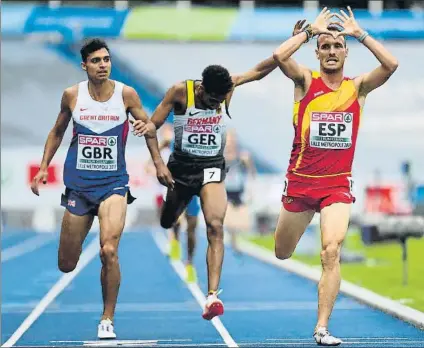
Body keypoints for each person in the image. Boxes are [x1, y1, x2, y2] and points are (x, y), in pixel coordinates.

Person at [30, 38, 172, 339]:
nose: (103, 65)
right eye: (96, 61)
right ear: (84, 65)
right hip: (79, 189)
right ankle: (85, 279)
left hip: (113, 185)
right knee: (66, 264)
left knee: (109, 249)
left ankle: (107, 318)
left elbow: (148, 128)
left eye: (106, 59)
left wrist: (159, 164)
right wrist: (44, 166)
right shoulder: (72, 95)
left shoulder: (126, 94)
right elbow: (57, 131)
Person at [272, 7, 398, 346]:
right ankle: (321, 323)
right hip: (299, 184)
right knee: (282, 252)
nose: (331, 52)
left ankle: (322, 328)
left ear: (345, 52)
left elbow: (391, 65)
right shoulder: (305, 81)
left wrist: (361, 35)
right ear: (318, 52)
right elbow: (278, 56)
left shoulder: (357, 88)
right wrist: (308, 32)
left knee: (331, 250)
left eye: (337, 46)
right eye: (325, 46)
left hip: (337, 186)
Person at [132, 56, 280, 321]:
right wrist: (158, 164)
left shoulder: (225, 89)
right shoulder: (181, 91)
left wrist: (299, 40)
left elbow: (259, 70)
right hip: (181, 169)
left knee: (215, 225)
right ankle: (169, 219)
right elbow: (153, 125)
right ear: (202, 90)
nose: (217, 105)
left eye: (220, 101)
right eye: (213, 101)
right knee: (168, 220)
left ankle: (212, 295)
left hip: (211, 167)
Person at [145, 123, 201, 283]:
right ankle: (174, 239)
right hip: (172, 191)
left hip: (191, 190)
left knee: (192, 228)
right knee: (175, 220)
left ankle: (190, 263)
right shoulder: (163, 150)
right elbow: (148, 166)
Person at [224, 129, 256, 253]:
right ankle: (231, 240)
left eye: (232, 140)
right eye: (228, 141)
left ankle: (234, 240)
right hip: (224, 191)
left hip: (238, 191)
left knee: (244, 225)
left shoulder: (242, 156)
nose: (230, 143)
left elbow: (252, 173)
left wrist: (249, 163)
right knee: (229, 220)